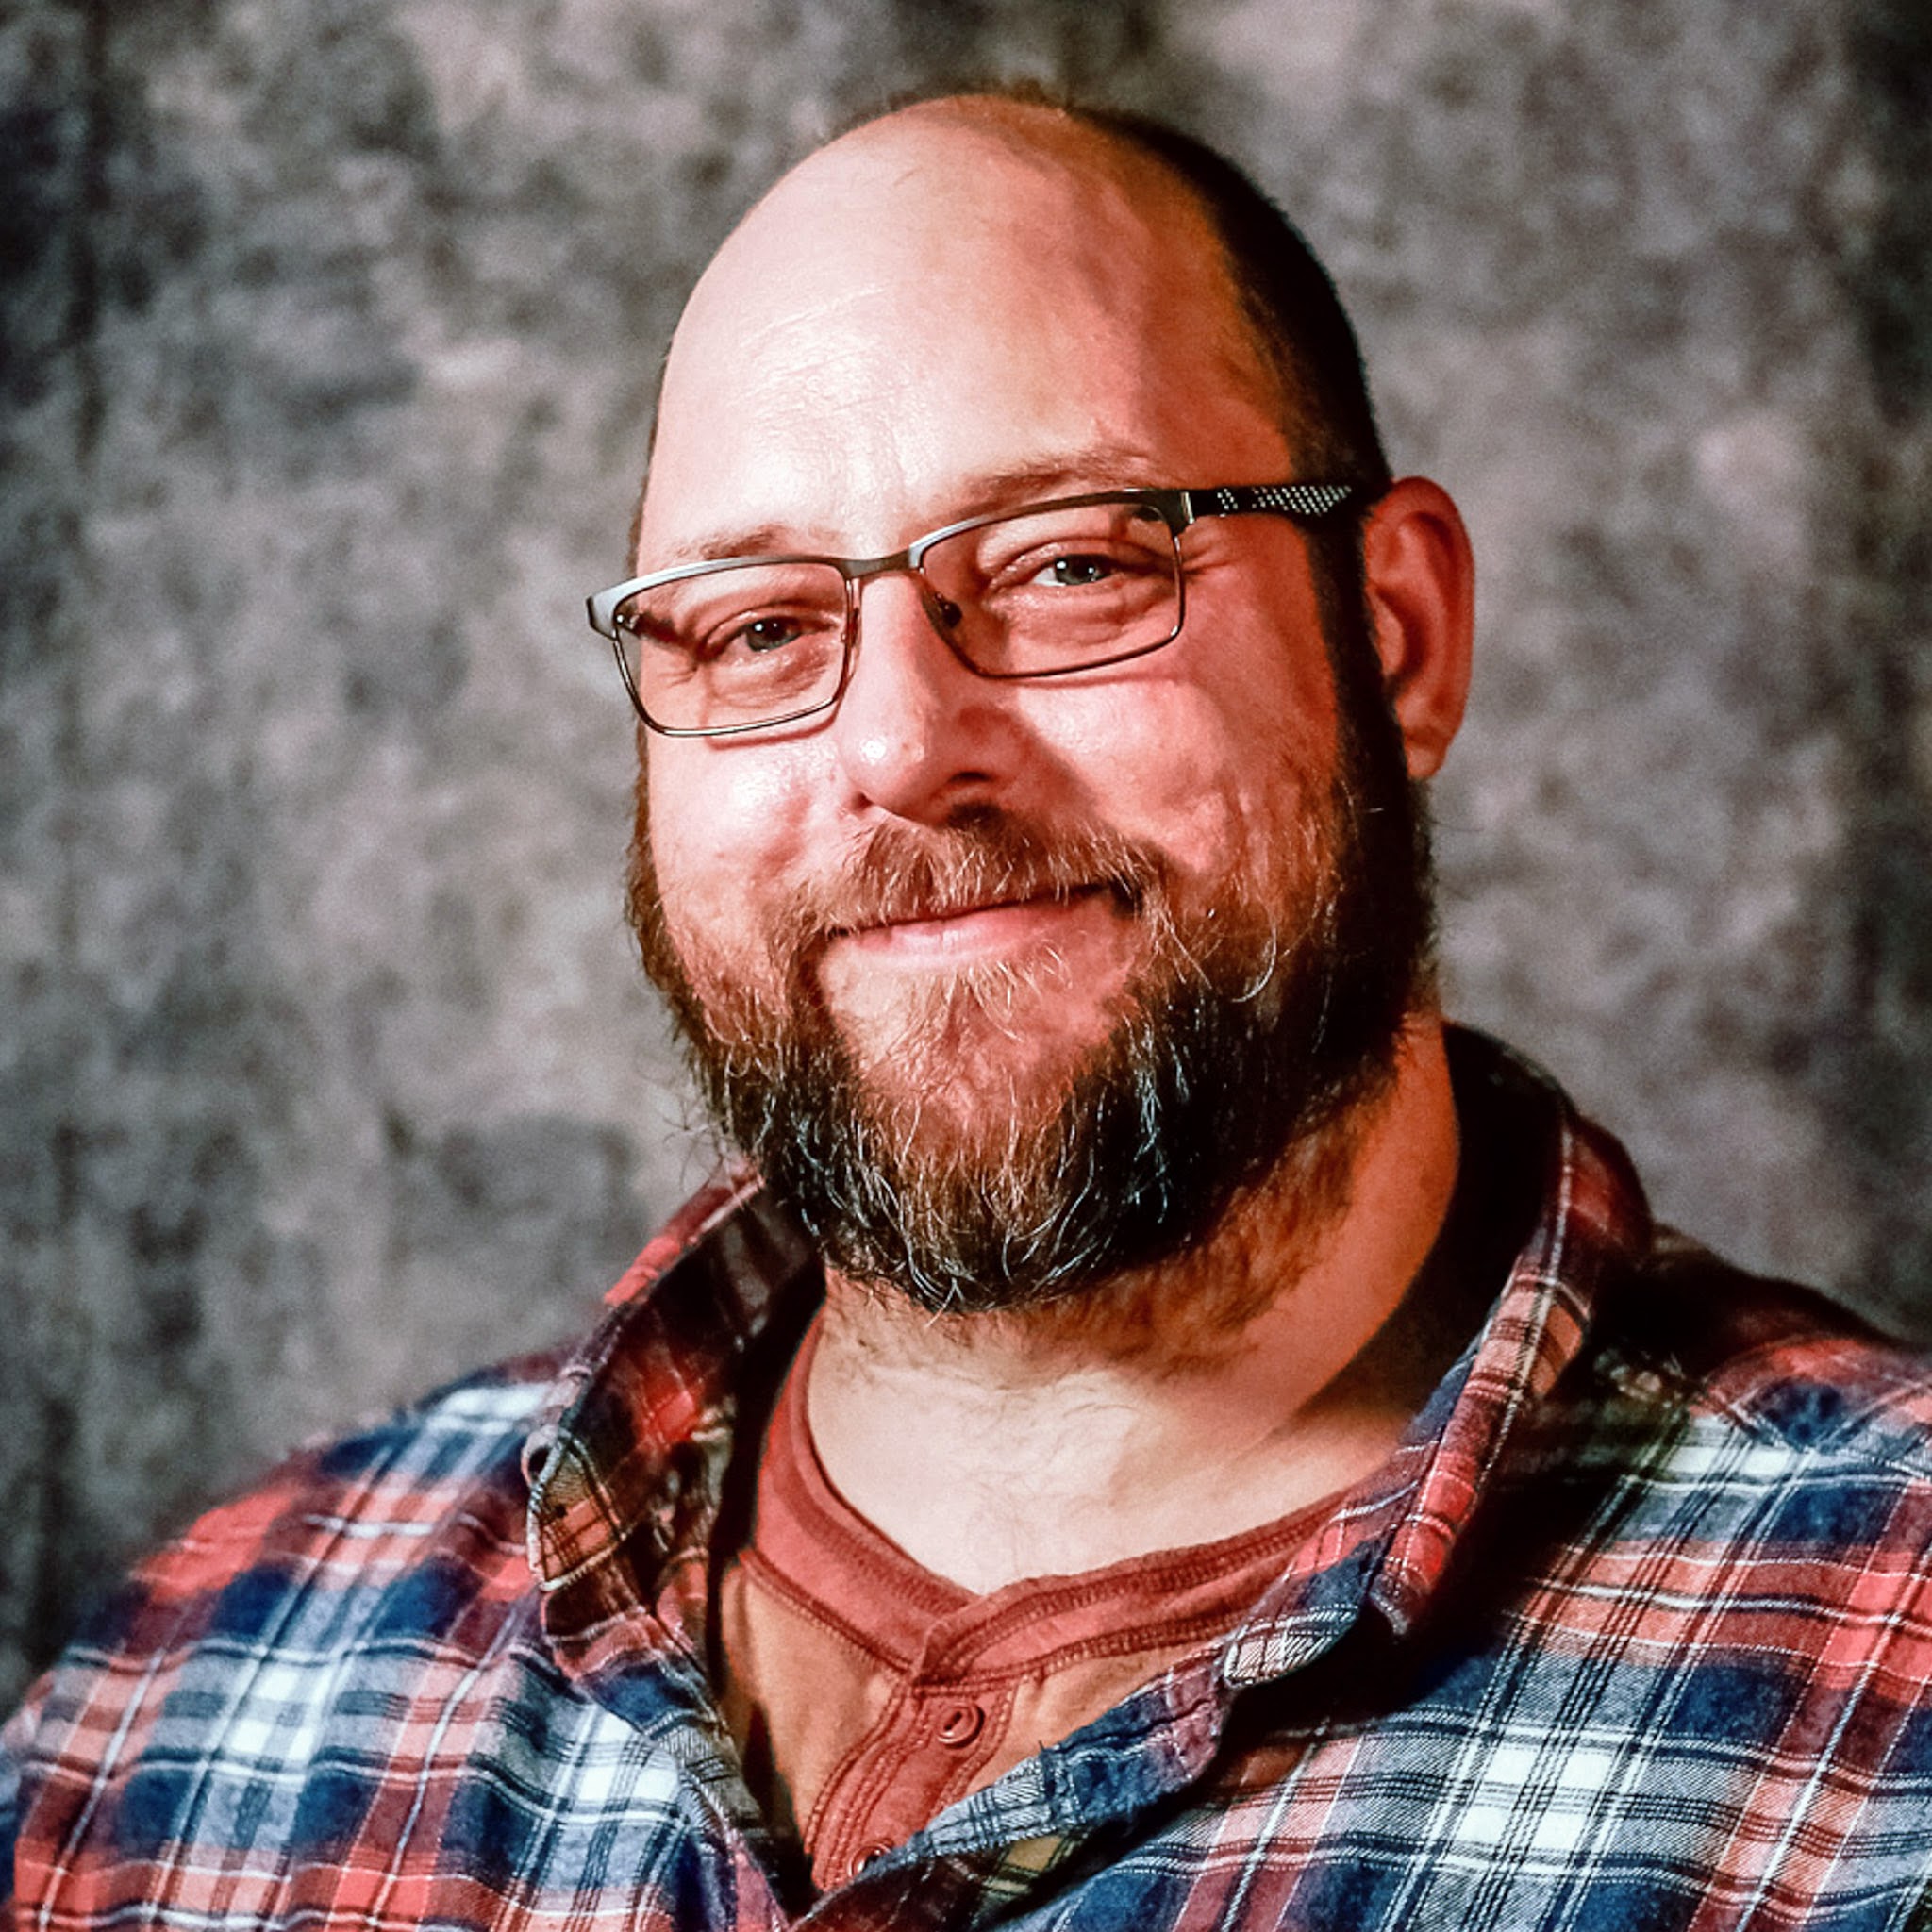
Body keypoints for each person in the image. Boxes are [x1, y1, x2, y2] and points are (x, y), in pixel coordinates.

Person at [6, 90, 1932, 1932]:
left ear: (1396, 633)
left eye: (1076, 565)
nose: (903, 746)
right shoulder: (182, 1707)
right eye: (760, 624)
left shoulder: (1884, 1689)